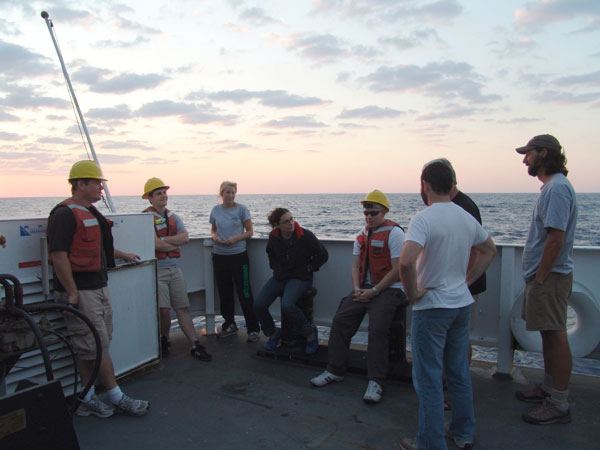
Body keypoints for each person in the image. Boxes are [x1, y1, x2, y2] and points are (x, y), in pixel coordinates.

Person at [398, 161, 496, 450]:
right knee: (458, 372)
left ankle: (430, 442)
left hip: (432, 308)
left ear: (424, 185)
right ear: (452, 184)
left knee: (427, 377)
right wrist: (466, 281)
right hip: (460, 306)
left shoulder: (424, 219)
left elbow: (405, 261)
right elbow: (489, 249)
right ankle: (463, 433)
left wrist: (413, 292)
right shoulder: (465, 217)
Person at [48, 160, 149, 418]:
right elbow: (59, 256)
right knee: (97, 345)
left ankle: (86, 397)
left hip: (98, 286)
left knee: (91, 346)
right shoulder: (63, 215)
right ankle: (116, 396)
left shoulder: (91, 212)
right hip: (81, 291)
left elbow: (98, 247)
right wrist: (71, 293)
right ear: (80, 184)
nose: (101, 188)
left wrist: (123, 254)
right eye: (96, 183)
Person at [310, 190, 407, 404]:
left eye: (374, 212)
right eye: (366, 213)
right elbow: (355, 266)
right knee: (341, 319)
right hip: (364, 288)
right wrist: (356, 289)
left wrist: (374, 291)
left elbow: (397, 270)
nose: (369, 217)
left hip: (391, 289)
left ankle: (376, 381)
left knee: (378, 328)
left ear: (384, 212)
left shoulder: (395, 234)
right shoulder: (362, 235)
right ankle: (335, 369)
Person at [514, 134, 578, 425]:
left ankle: (559, 402)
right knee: (547, 334)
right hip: (545, 277)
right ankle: (550, 389)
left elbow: (555, 239)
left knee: (555, 334)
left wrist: (540, 278)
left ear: (544, 153)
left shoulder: (558, 189)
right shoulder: (552, 188)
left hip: (549, 277)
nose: (525, 159)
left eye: (529, 153)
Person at [142, 177, 211, 361]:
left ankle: (194, 344)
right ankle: (164, 339)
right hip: (157, 271)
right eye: (158, 193)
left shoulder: (174, 217)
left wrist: (163, 242)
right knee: (164, 310)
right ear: (149, 198)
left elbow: (186, 238)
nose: (163, 196)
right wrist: (170, 243)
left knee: (182, 307)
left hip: (174, 269)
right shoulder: (145, 218)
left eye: (164, 192)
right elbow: (155, 245)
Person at [253, 208, 328, 354]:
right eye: (286, 221)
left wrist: (310, 268)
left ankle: (310, 333)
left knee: (287, 305)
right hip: (280, 277)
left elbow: (323, 255)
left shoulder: (305, 236)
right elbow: (270, 254)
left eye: (292, 219)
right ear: (277, 225)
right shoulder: (274, 237)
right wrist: (276, 268)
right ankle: (274, 334)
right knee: (258, 305)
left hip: (301, 278)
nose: (291, 223)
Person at [209, 181, 260, 341]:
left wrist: (236, 238)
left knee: (244, 291)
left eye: (233, 193)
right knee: (224, 292)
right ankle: (229, 323)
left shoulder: (241, 209)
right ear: (221, 193)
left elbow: (250, 231)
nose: (230, 195)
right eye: (228, 192)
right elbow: (213, 230)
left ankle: (253, 328)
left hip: (239, 256)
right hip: (219, 256)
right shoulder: (215, 210)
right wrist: (214, 237)